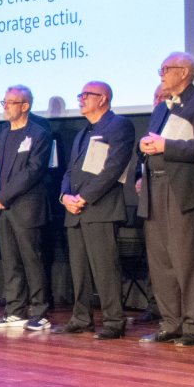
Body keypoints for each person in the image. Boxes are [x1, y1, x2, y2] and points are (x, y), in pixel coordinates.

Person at [138, 52, 194, 346]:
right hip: (154, 186)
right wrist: (145, 148)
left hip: (181, 190)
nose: (161, 74)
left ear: (184, 72)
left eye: (166, 69)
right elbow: (155, 141)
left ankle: (193, 326)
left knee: (185, 260)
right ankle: (170, 323)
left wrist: (165, 145)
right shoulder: (162, 107)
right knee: (160, 261)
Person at [55, 82, 135, 339]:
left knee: (105, 269)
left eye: (86, 95)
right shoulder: (82, 133)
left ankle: (114, 321)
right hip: (75, 211)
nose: (81, 99)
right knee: (79, 270)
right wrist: (65, 196)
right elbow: (70, 171)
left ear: (103, 99)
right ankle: (81, 318)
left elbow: (113, 168)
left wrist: (84, 197)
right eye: (80, 95)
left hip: (100, 209)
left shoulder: (119, 125)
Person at [0, 85, 53, 330]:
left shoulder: (39, 133)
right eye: (3, 101)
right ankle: (15, 310)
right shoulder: (4, 133)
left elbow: (33, 170)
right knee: (10, 261)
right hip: (3, 207)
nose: (5, 106)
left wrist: (5, 195)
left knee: (32, 260)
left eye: (10, 102)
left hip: (26, 206)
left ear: (25, 106)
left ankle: (40, 311)